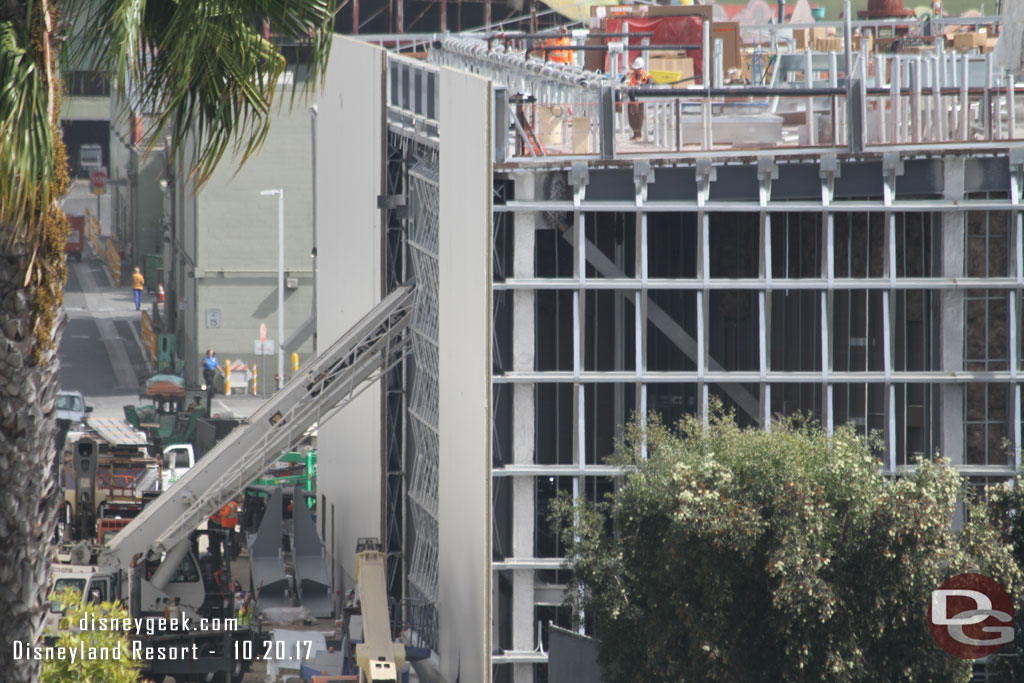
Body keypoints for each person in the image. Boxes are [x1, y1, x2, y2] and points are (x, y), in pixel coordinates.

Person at [621, 57, 653, 141]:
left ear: (641, 68)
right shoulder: (631, 74)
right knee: (631, 116)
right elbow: (623, 82)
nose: (635, 70)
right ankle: (635, 134)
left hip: (640, 99)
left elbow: (650, 87)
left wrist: (641, 84)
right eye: (634, 68)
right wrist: (626, 81)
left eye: (637, 68)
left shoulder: (646, 76)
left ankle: (638, 134)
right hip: (630, 98)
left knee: (638, 116)